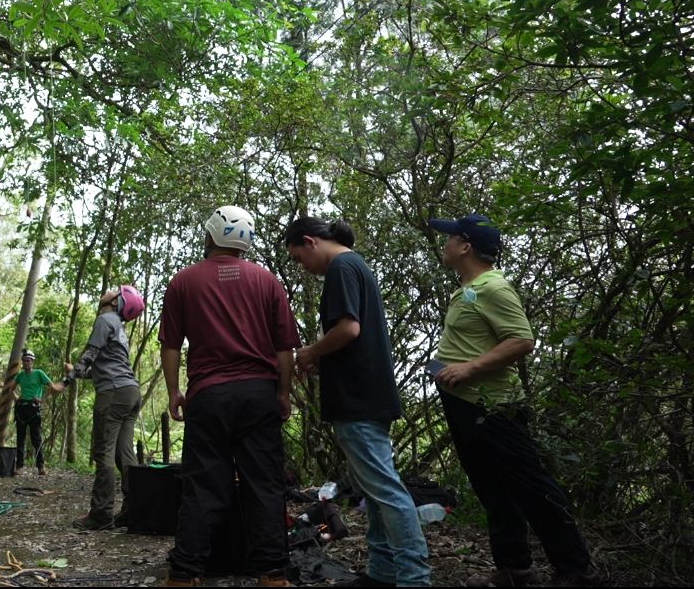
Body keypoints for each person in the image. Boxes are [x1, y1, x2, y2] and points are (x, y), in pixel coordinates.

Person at [428, 214, 598, 587]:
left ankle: (578, 569)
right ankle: (515, 568)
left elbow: (522, 340)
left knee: (532, 487)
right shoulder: (470, 286)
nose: (445, 244)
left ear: (465, 246)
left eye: (450, 238)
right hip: (466, 404)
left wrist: (470, 368)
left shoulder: (493, 288)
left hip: (494, 407)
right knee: (493, 489)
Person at [284, 216, 431, 587]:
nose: (304, 268)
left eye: (299, 258)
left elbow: (349, 329)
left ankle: (414, 578)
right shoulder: (356, 264)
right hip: (367, 394)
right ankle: (383, 573)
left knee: (386, 491)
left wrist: (310, 352)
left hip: (359, 400)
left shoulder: (341, 267)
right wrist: (323, 359)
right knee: (375, 490)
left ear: (310, 241)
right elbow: (353, 339)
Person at [159, 205, 300, 588]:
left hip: (209, 395)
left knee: (202, 486)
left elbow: (171, 345)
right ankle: (272, 574)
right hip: (258, 394)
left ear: (209, 236)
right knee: (265, 484)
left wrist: (175, 392)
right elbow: (285, 348)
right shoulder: (267, 281)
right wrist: (283, 393)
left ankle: (184, 574)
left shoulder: (183, 282)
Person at [66, 285, 146, 531]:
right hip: (130, 392)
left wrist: (66, 380)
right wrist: (79, 374)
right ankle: (135, 510)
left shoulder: (105, 319)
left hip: (113, 394)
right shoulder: (119, 328)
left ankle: (101, 514)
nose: (108, 291)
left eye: (114, 291)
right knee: (125, 455)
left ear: (117, 301)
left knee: (104, 453)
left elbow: (91, 352)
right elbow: (105, 366)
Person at [13, 350, 65, 475]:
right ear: (22, 362)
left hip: (33, 407)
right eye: (25, 360)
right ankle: (19, 466)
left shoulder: (39, 373)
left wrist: (42, 400)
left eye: (29, 360)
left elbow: (51, 386)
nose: (27, 363)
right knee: (20, 438)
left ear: (33, 362)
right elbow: (11, 388)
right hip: (21, 408)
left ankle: (40, 466)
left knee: (36, 437)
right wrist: (16, 398)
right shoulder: (20, 375)